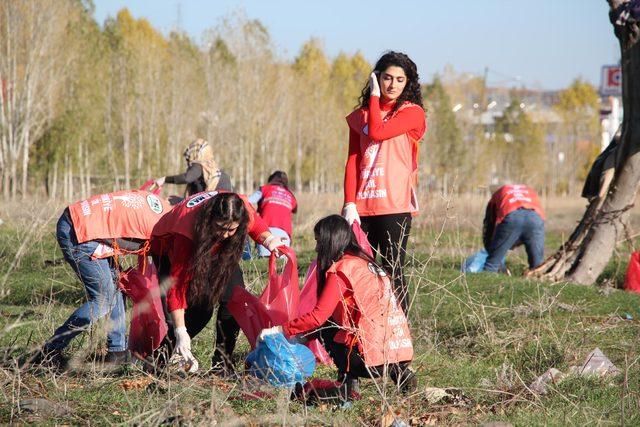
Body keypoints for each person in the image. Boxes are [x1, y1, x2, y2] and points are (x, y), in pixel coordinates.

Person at [260, 215, 416, 399]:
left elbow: (318, 317)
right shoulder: (369, 264)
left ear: (330, 241)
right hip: (400, 352)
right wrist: (302, 337)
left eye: (319, 241)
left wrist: (281, 330)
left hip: (371, 362)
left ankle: (347, 381)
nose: (317, 248)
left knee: (326, 326)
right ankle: (399, 373)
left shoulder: (343, 269)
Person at [30, 189, 171, 368]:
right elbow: (163, 278)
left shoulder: (162, 208)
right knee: (104, 301)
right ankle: (48, 351)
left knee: (116, 287)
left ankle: (117, 352)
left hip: (83, 221)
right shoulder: (160, 232)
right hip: (80, 232)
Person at [149, 191, 284, 375]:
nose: (226, 235)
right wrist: (181, 331)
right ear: (211, 218)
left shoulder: (240, 209)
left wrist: (269, 240)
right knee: (201, 310)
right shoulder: (186, 229)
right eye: (221, 227)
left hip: (213, 247)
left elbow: (257, 227)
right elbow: (177, 288)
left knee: (234, 300)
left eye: (232, 229)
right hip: (170, 247)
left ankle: (222, 363)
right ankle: (158, 360)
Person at [342, 51, 426, 312]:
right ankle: (361, 333)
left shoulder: (412, 113)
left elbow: (377, 132)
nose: (393, 85)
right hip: (362, 207)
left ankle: (399, 336)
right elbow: (353, 160)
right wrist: (349, 203)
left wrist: (375, 95)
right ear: (377, 77)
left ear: (408, 83)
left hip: (394, 206)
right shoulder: (360, 116)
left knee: (392, 270)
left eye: (400, 80)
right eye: (387, 78)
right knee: (356, 271)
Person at [482, 184, 545, 273]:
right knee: (537, 267)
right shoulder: (530, 190)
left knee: (491, 265)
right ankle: (537, 282)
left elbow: (489, 230)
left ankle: (487, 282)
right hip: (536, 218)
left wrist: (495, 251)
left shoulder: (498, 194)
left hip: (511, 217)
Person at [154, 139, 233, 200]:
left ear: (197, 152)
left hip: (216, 201)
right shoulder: (213, 168)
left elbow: (187, 178)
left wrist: (165, 179)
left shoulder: (200, 165)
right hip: (228, 198)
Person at [247, 171, 297, 257]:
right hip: (284, 236)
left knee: (264, 261)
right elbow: (294, 209)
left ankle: (247, 258)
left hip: (265, 233)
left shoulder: (265, 189)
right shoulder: (291, 196)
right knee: (281, 265)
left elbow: (247, 202)